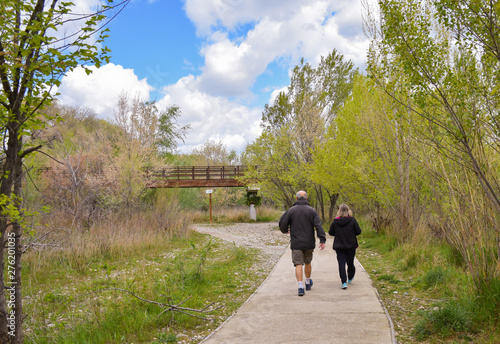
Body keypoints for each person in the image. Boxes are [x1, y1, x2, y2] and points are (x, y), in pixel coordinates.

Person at [279, 190, 326, 296]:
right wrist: (322, 239)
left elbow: (282, 223)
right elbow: (318, 225)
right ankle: (308, 282)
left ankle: (300, 286)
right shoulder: (312, 211)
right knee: (308, 262)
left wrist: (285, 230)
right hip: (309, 241)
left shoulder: (291, 211)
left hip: (296, 242)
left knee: (298, 264)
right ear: (306, 198)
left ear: (296, 198)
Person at [328, 203, 361, 289]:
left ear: (339, 211)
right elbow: (358, 231)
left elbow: (331, 232)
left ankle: (343, 282)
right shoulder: (352, 220)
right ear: (348, 211)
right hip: (351, 245)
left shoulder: (335, 221)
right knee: (350, 263)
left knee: (341, 264)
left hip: (339, 246)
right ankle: (350, 277)